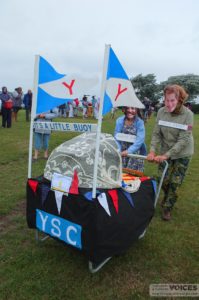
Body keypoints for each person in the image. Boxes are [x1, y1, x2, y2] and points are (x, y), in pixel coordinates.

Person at [147, 84, 194, 221]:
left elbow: (184, 139)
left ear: (180, 99)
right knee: (163, 180)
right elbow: (156, 134)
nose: (169, 104)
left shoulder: (188, 115)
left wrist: (167, 155)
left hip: (183, 153)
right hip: (164, 151)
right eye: (167, 100)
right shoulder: (161, 112)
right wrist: (152, 151)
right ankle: (168, 198)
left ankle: (167, 207)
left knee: (175, 183)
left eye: (172, 100)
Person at [114, 106, 147, 172]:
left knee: (133, 175)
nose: (130, 110)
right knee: (120, 173)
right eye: (128, 108)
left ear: (136, 110)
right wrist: (119, 150)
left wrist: (128, 151)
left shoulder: (140, 123)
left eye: (132, 108)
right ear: (125, 109)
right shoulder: (119, 120)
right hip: (122, 152)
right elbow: (116, 137)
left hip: (135, 153)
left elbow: (139, 141)